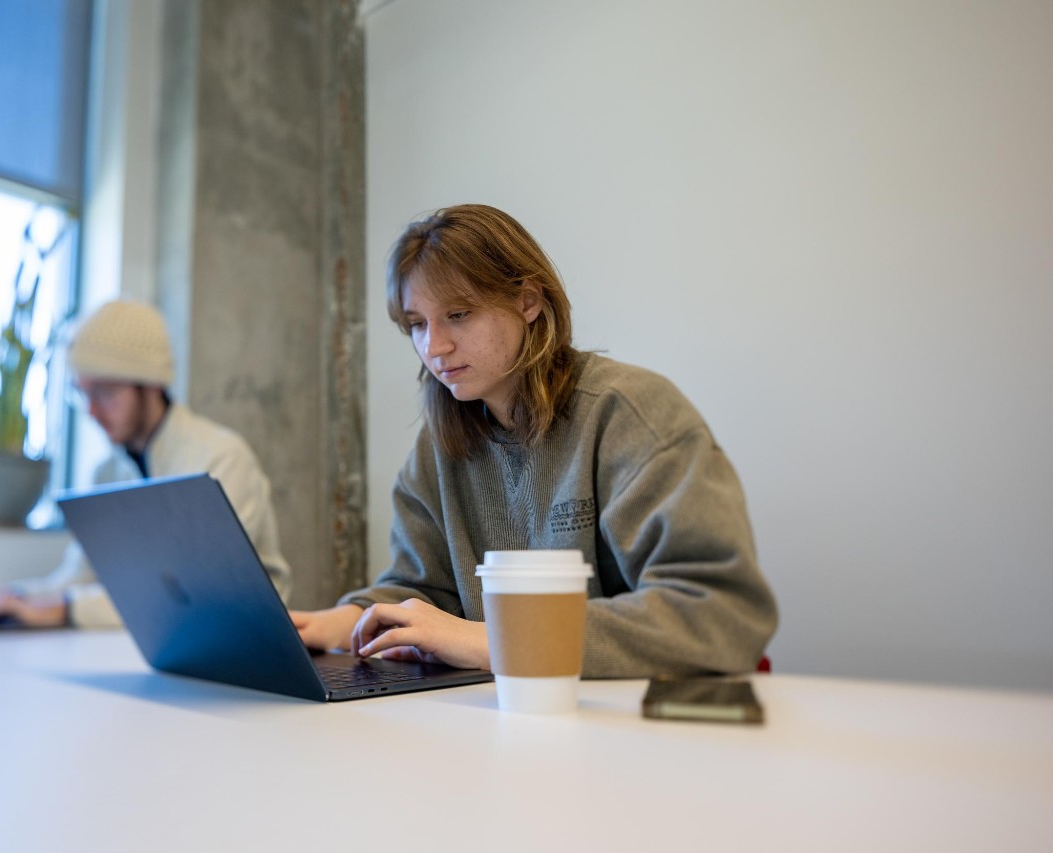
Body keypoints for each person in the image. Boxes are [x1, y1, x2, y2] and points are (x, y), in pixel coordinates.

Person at [292, 204, 777, 678]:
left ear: (528, 301)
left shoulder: (628, 412)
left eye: (458, 314)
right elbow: (425, 594)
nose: (434, 347)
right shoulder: (437, 446)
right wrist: (336, 624)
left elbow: (720, 614)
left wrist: (497, 642)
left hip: (640, 729)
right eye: (418, 324)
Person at [0, 299, 290, 628]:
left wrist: (63, 610)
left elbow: (193, 594)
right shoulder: (107, 474)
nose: (91, 412)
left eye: (104, 393)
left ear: (153, 385)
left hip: (237, 649)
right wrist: (7, 596)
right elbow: (78, 576)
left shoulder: (219, 458)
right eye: (81, 393)